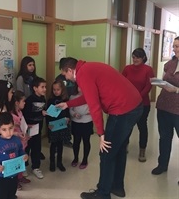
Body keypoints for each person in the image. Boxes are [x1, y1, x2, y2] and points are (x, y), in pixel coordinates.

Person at [56, 57, 143, 199]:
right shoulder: (88, 68)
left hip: (122, 110)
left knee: (106, 152)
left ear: (70, 70)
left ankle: (103, 193)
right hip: (134, 107)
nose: (66, 77)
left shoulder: (83, 74)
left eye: (65, 74)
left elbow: (94, 107)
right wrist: (68, 104)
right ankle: (117, 187)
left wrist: (101, 134)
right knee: (119, 149)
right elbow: (91, 96)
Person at [151, 36, 179, 177]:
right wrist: (159, 82)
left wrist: (176, 90)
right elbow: (164, 79)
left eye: (177, 46)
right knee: (164, 138)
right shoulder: (169, 64)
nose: (174, 49)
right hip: (164, 107)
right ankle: (162, 165)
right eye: (174, 46)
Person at [122, 48, 154, 162]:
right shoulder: (127, 68)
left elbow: (149, 85)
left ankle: (142, 150)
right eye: (133, 57)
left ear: (143, 58)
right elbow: (122, 83)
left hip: (142, 103)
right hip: (128, 103)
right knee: (127, 126)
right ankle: (124, 145)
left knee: (142, 126)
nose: (135, 60)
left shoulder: (148, 70)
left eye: (138, 57)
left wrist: (138, 97)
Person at [0, 112, 28, 199]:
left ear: (14, 126)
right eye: (4, 129)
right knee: (1, 196)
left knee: (12, 193)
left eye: (10, 128)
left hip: (13, 174)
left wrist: (24, 155)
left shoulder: (16, 140)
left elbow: (20, 150)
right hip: (0, 177)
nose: (8, 132)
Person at [22, 77, 47, 179]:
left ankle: (36, 167)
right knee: (26, 148)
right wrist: (39, 112)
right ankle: (23, 167)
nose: (45, 89)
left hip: (38, 129)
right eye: (42, 87)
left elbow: (42, 112)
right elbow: (25, 114)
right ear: (35, 88)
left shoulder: (43, 99)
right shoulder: (29, 100)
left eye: (45, 87)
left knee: (37, 148)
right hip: (28, 130)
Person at [45, 80, 71, 172]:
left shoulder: (65, 100)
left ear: (62, 90)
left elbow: (68, 112)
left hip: (62, 125)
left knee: (60, 144)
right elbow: (48, 114)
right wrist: (48, 125)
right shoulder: (50, 100)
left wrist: (68, 118)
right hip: (53, 125)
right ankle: (52, 162)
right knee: (53, 144)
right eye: (54, 89)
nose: (56, 91)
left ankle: (59, 162)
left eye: (58, 89)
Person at [10, 90, 31, 189]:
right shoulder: (11, 115)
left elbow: (24, 125)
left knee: (22, 160)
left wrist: (27, 131)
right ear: (16, 103)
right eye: (23, 101)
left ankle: (20, 176)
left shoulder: (20, 112)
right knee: (16, 162)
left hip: (22, 141)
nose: (25, 103)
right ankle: (15, 181)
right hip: (15, 142)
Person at [69, 86, 93, 169]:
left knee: (86, 141)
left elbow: (95, 107)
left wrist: (90, 112)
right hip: (76, 122)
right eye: (79, 87)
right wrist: (74, 114)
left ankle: (85, 160)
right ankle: (75, 158)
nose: (81, 89)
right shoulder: (72, 97)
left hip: (87, 122)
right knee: (76, 141)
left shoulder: (90, 96)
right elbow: (70, 109)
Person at [56, 57, 77, 148]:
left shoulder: (74, 77)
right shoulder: (59, 78)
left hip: (72, 101)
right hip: (62, 102)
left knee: (69, 121)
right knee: (61, 121)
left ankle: (67, 139)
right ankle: (58, 141)